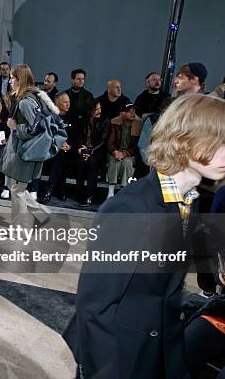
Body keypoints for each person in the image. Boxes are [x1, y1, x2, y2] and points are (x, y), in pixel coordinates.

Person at [63, 93, 225, 379]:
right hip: (116, 357)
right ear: (187, 139)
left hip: (156, 354)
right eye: (222, 142)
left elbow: (166, 295)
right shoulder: (131, 208)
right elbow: (94, 307)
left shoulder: (189, 201)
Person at [0, 64, 57, 229]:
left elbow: (35, 130)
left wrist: (16, 127)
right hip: (19, 150)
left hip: (23, 152)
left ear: (20, 80)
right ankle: (40, 214)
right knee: (15, 188)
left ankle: (21, 227)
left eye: (12, 78)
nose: (10, 81)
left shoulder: (25, 102)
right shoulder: (31, 97)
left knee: (17, 190)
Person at [40, 92, 75, 203]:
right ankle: (59, 189)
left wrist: (70, 146)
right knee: (59, 156)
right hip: (51, 150)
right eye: (65, 102)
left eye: (69, 102)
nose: (68, 104)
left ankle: (50, 189)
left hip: (70, 152)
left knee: (62, 156)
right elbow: (46, 135)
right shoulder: (50, 117)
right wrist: (58, 144)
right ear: (57, 104)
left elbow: (77, 137)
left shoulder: (73, 118)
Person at [74, 101, 110, 207]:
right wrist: (82, 148)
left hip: (97, 151)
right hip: (84, 150)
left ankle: (89, 196)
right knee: (81, 162)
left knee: (92, 163)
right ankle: (79, 193)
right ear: (90, 110)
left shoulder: (105, 121)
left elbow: (103, 141)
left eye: (100, 108)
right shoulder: (82, 120)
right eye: (96, 109)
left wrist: (91, 151)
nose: (99, 111)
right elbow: (79, 136)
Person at [106, 103, 143, 198]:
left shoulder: (139, 123)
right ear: (122, 113)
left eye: (134, 111)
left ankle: (123, 191)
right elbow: (110, 141)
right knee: (114, 162)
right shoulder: (115, 122)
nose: (133, 113)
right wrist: (115, 152)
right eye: (129, 111)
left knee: (127, 164)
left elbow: (137, 145)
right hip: (115, 151)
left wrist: (125, 153)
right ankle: (111, 191)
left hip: (130, 154)